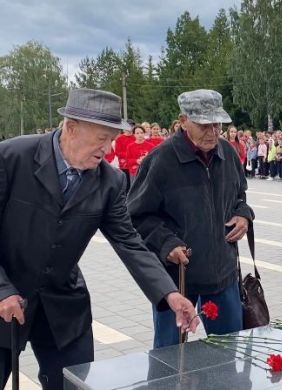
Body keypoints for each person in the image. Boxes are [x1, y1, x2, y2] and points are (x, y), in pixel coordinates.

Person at [0, 88, 199, 388]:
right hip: (6, 291)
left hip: (62, 305)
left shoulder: (110, 181)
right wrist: (2, 289)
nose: (108, 149)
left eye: (112, 139)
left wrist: (170, 294)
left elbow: (129, 241)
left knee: (76, 384)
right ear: (71, 127)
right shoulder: (12, 157)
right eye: (101, 138)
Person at [128, 89, 254, 348]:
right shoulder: (161, 159)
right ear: (183, 121)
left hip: (222, 275)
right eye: (204, 125)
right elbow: (137, 215)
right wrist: (166, 242)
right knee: (171, 356)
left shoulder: (227, 154)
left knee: (228, 351)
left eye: (217, 124)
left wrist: (244, 215)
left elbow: (239, 196)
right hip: (177, 280)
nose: (213, 132)